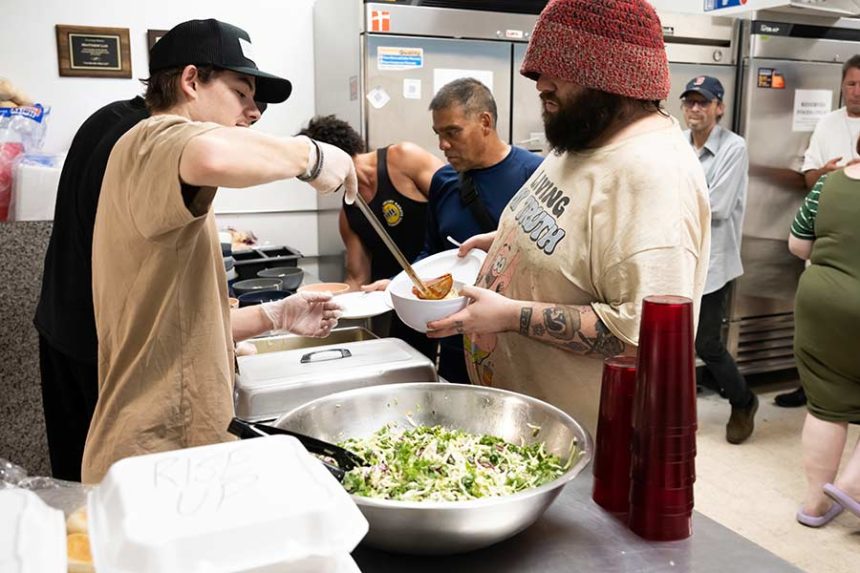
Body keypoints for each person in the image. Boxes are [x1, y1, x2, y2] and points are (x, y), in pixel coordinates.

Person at [80, 18, 356, 483]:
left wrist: (277, 315)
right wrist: (312, 155)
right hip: (159, 448)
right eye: (241, 92)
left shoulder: (169, 169)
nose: (253, 113)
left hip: (180, 439)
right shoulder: (152, 139)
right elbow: (214, 154)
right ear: (191, 80)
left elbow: (182, 326)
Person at [426, 0, 711, 432]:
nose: (539, 83)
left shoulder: (653, 173)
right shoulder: (585, 136)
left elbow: (641, 333)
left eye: (555, 68)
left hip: (587, 447)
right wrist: (511, 239)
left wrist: (510, 315)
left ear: (609, 74)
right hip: (526, 429)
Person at [298, 114, 441, 360]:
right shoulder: (349, 213)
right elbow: (357, 277)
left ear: (328, 159)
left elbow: (453, 202)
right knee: (413, 365)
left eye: (309, 172)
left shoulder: (403, 158)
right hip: (402, 302)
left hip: (445, 282)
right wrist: (322, 302)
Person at [777, 54, 860, 408]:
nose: (858, 91)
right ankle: (809, 387)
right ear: (842, 86)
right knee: (817, 327)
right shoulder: (828, 124)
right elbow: (809, 179)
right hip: (824, 244)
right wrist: (827, 173)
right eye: (852, 84)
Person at [680, 75, 758, 444]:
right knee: (674, 337)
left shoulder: (734, 148)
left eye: (703, 102)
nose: (695, 109)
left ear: (719, 107)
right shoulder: (678, 144)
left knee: (705, 343)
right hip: (679, 258)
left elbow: (718, 206)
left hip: (713, 264)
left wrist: (669, 205)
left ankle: (743, 401)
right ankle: (676, 410)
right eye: (690, 102)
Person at [788, 152, 860, 527]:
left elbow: (798, 245)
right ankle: (853, 486)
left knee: (825, 404)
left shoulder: (827, 184)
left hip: (821, 304)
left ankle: (814, 505)